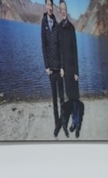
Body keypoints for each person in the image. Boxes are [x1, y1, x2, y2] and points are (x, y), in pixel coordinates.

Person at [55, 0, 79, 138]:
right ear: (59, 10)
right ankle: (67, 119)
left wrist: (77, 71)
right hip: (64, 69)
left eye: (64, 8)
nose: (63, 11)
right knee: (68, 97)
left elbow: (75, 50)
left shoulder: (71, 27)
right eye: (61, 8)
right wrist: (61, 68)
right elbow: (59, 50)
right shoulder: (58, 28)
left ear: (67, 10)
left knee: (75, 97)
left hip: (72, 68)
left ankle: (75, 122)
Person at [40, 0, 60, 137]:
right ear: (46, 6)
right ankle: (56, 123)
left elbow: (60, 46)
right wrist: (46, 66)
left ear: (53, 7)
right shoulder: (44, 23)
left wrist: (63, 66)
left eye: (51, 5)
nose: (49, 7)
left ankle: (62, 121)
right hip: (51, 68)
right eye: (47, 5)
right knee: (54, 98)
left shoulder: (56, 24)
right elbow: (43, 45)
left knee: (61, 97)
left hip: (59, 67)